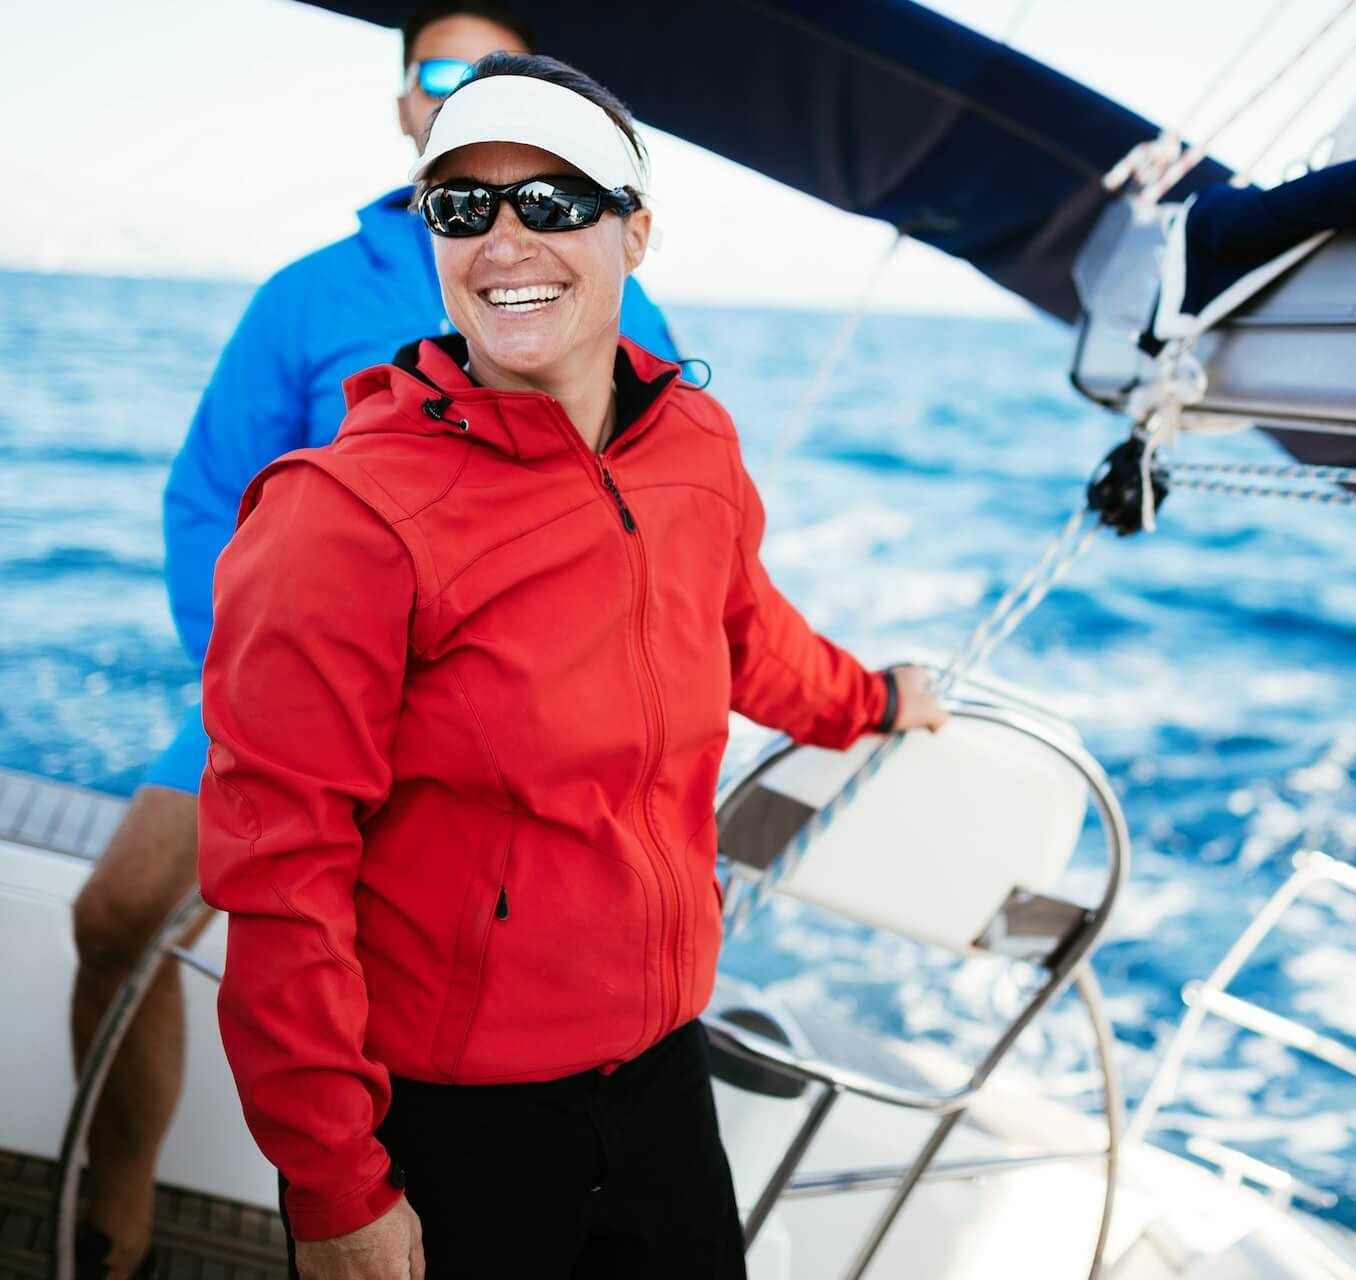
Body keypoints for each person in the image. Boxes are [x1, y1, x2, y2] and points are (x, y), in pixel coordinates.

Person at [196, 51, 949, 1279]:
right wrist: (334, 1188)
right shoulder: (342, 514)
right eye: (464, 205)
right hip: (453, 1122)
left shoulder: (693, 442)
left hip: (660, 1074)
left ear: (636, 232)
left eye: (552, 202)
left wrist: (874, 701)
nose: (505, 239)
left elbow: (747, 632)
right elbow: (279, 869)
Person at [64, 7, 678, 1278]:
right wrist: (258, 691)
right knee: (115, 911)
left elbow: (657, 536)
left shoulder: (626, 303)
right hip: (290, 694)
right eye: (441, 78)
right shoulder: (305, 297)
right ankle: (110, 1215)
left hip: (506, 713)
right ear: (408, 112)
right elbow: (206, 500)